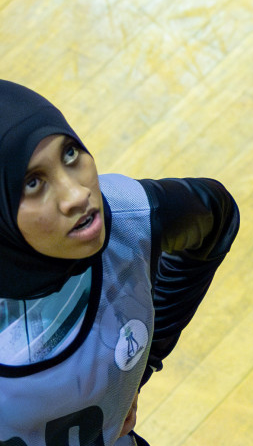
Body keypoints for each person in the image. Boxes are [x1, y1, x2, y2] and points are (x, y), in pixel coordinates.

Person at [0, 80, 239, 446]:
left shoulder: (131, 216)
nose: (77, 195)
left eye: (70, 155)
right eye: (34, 183)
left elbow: (216, 219)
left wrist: (137, 370)